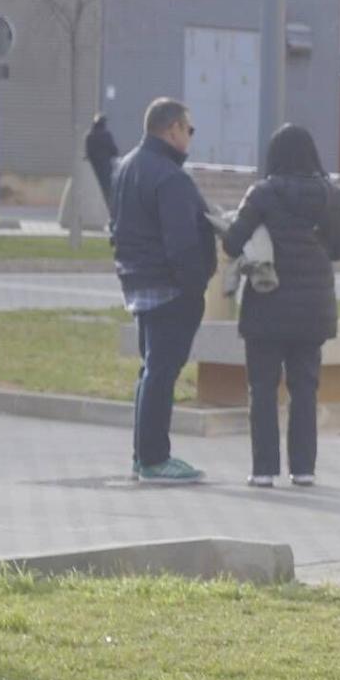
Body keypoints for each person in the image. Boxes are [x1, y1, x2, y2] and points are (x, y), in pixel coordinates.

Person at [221, 124, 340, 488]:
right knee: (305, 387)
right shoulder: (332, 196)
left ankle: (263, 470)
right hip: (313, 306)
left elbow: (233, 243)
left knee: (262, 387)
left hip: (267, 303)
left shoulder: (262, 194)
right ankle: (303, 468)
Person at [110, 97, 217, 484]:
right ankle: (155, 458)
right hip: (170, 288)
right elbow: (182, 242)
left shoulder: (126, 167)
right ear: (172, 129)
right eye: (188, 130)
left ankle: (144, 456)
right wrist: (195, 284)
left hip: (138, 283)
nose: (189, 138)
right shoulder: (170, 177)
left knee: (151, 370)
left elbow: (116, 227)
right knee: (161, 371)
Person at [84, 115, 118, 202]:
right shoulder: (106, 135)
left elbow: (87, 154)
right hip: (105, 170)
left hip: (93, 171)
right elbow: (114, 151)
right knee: (107, 193)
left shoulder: (89, 136)